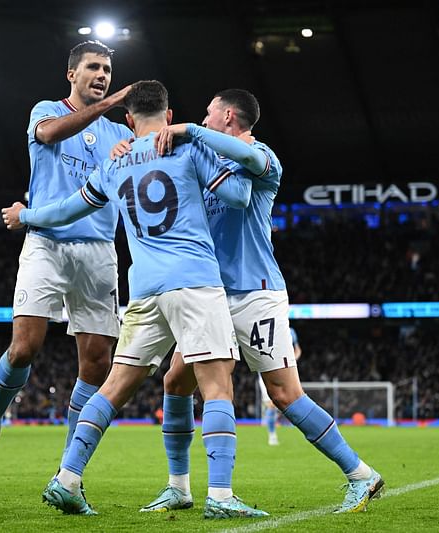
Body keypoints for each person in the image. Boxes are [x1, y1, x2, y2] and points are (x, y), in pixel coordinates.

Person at [2, 80, 267, 519]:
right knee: (218, 386)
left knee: (114, 386)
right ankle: (220, 496)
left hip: (143, 289)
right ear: (169, 116)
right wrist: (213, 145)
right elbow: (238, 196)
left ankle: (67, 477)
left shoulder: (114, 163)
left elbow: (67, 210)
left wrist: (24, 215)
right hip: (194, 281)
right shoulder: (186, 149)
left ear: (128, 119)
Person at [134, 89, 384, 514]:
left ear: (228, 116)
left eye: (209, 113)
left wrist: (191, 132)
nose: (203, 118)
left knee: (285, 393)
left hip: (255, 293)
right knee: (175, 382)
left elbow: (242, 188)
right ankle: (179, 487)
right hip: (208, 293)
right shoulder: (205, 157)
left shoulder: (262, 156)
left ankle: (362, 475)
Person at [0, 40, 132, 476]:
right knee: (23, 348)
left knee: (97, 361)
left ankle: (69, 470)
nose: (102, 75)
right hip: (46, 244)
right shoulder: (44, 111)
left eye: (108, 70)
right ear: (71, 74)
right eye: (93, 67)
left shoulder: (121, 136)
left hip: (98, 251)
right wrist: (110, 103)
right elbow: (52, 134)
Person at [261, 325, 301, 446]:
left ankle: (300, 427)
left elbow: (298, 349)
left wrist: (292, 360)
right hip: (267, 369)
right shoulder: (265, 327)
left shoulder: (290, 331)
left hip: (287, 369)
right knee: (271, 404)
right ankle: (272, 435)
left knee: (294, 398)